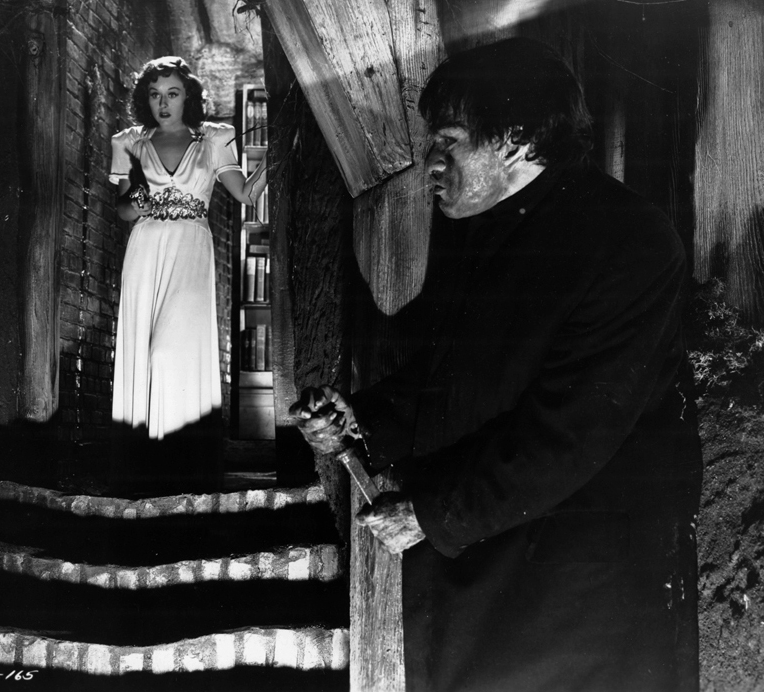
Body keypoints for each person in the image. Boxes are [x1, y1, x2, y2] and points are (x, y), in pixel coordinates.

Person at [290, 37, 702, 692]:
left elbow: (573, 430)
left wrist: (431, 515)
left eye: (448, 141)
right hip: (489, 571)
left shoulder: (627, 241)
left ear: (515, 139)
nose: (430, 161)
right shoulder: (482, 233)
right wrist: (359, 421)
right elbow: (452, 377)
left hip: (580, 594)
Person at [109, 57, 266, 487]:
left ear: (188, 97)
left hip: (192, 250)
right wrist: (134, 203)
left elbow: (245, 194)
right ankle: (146, 469)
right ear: (145, 99)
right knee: (146, 356)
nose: (163, 104)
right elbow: (122, 209)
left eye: (172, 94)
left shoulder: (213, 140)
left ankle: (185, 467)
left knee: (170, 353)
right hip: (145, 251)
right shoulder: (129, 143)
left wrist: (274, 156)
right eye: (155, 95)